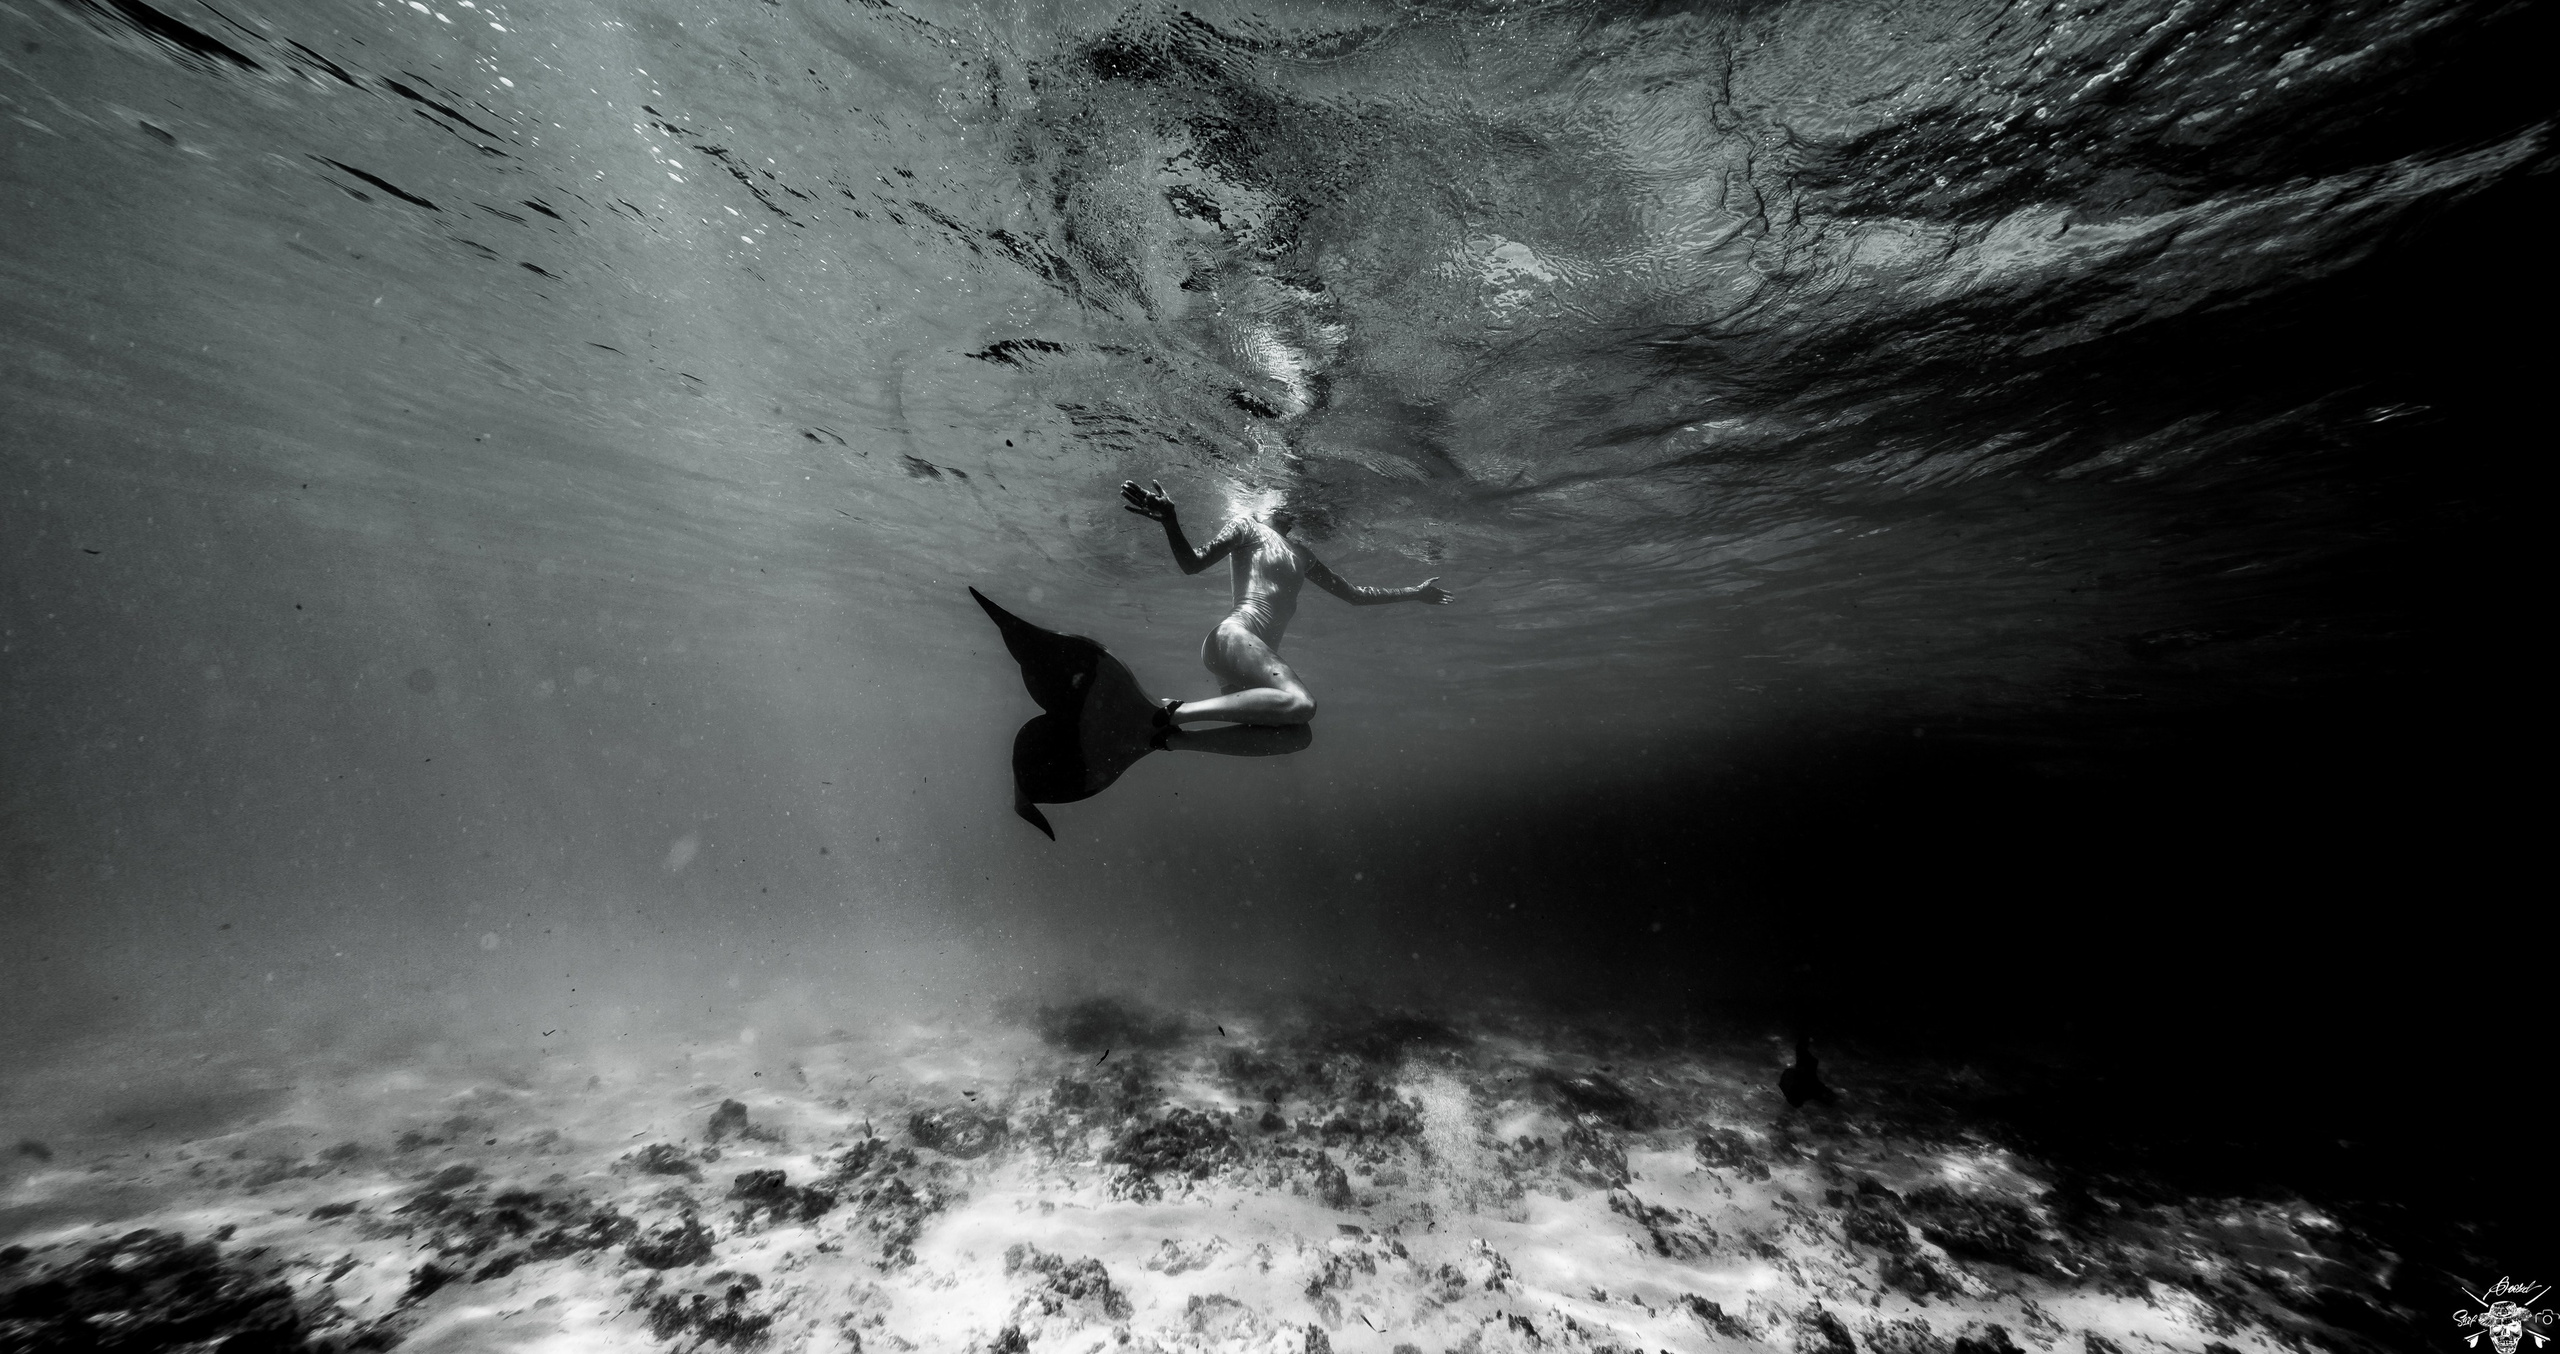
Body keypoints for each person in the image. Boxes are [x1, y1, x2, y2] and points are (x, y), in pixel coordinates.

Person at [1119, 479, 1452, 729]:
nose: (1292, 511)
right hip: (1232, 639)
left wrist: (1416, 592)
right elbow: (1193, 563)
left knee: (1296, 735)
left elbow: (1354, 595)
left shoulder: (1302, 554)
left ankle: (1173, 738)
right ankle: (1169, 712)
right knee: (1301, 704)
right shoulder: (1247, 526)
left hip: (1246, 656)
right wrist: (1170, 520)